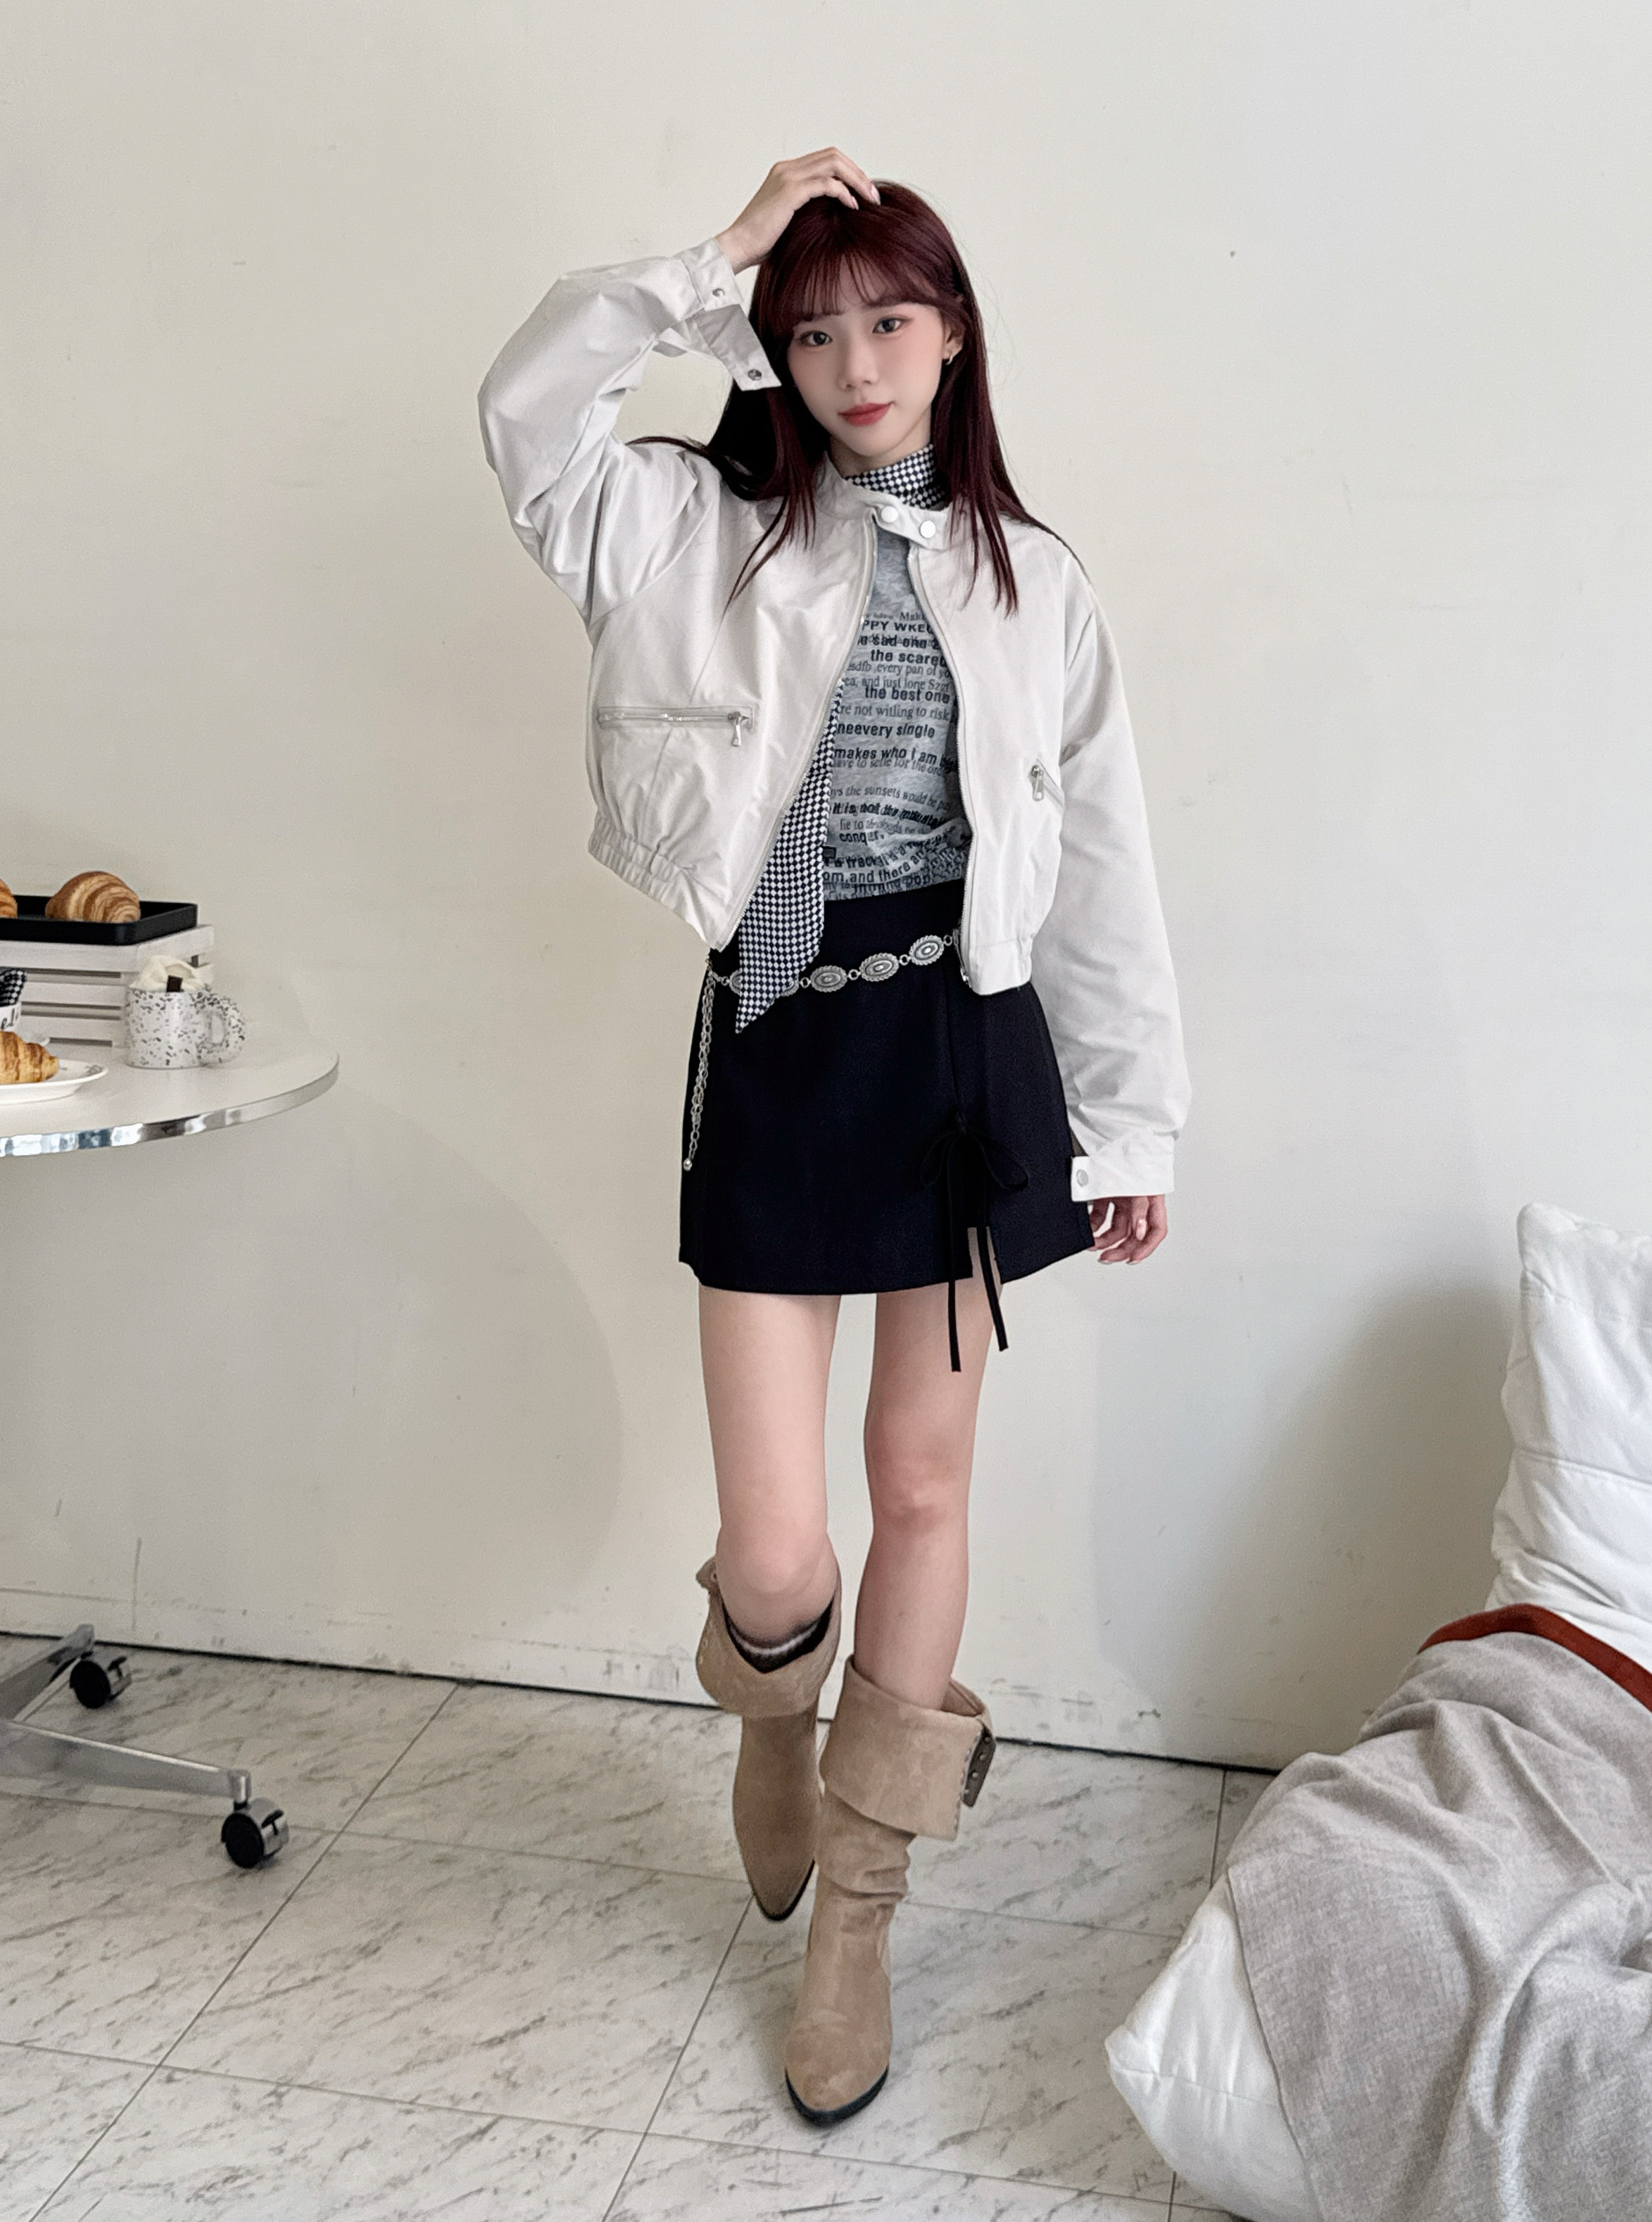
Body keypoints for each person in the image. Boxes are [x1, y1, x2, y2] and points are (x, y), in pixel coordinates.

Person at [478, 149, 1188, 2126]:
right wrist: (710, 259)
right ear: (769, 352)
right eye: (810, 330)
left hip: (967, 1056)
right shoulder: (684, 528)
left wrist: (1130, 1120)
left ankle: (857, 1921)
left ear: (954, 333)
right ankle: (770, 1709)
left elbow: (1103, 861)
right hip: (787, 1039)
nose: (857, 361)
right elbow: (525, 414)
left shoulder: (1037, 581)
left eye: (890, 318)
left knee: (923, 1484)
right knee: (782, 1543)